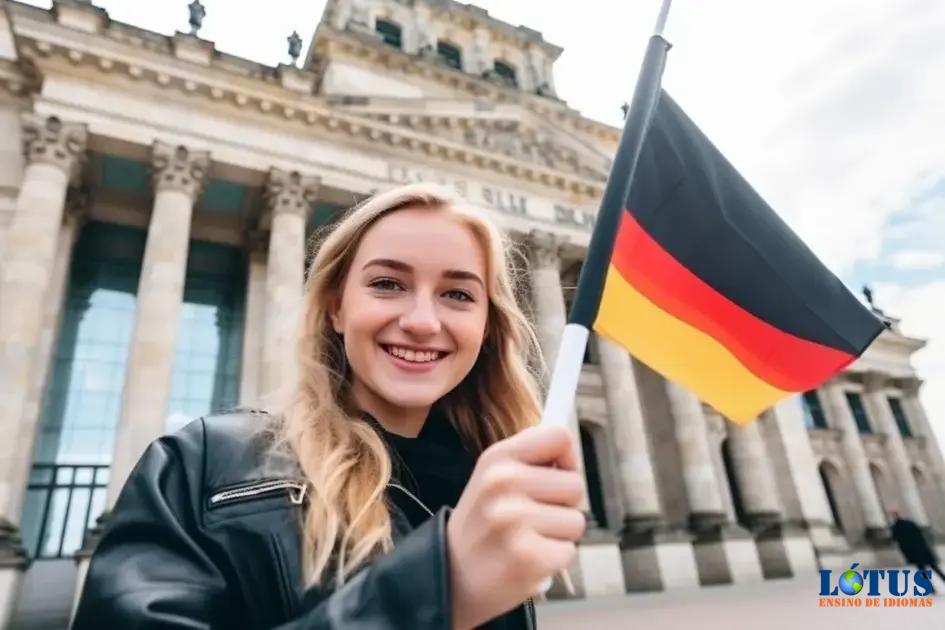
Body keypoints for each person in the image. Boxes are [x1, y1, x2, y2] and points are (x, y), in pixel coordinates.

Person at [72, 183, 586, 629]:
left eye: (458, 294)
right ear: (336, 308)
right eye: (388, 284)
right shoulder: (202, 466)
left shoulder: (489, 484)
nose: (424, 321)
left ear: (486, 327)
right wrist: (434, 593)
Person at [890, 510, 945, 591]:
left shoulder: (895, 528)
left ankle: (931, 588)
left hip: (913, 553)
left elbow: (897, 541)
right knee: (934, 567)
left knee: (922, 570)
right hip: (922, 550)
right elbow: (920, 535)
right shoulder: (909, 524)